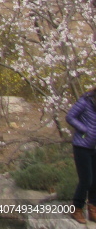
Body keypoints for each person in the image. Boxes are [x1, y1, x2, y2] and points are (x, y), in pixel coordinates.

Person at [67, 87, 96, 224]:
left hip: (94, 147)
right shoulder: (85, 101)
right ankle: (77, 209)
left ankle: (93, 208)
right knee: (86, 180)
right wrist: (84, 129)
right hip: (82, 145)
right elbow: (70, 116)